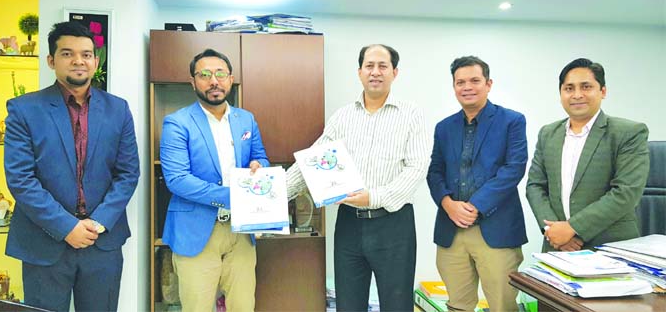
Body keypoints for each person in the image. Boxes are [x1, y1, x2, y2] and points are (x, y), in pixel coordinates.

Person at [3, 21, 140, 311]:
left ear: (95, 60)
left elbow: (128, 173)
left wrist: (98, 221)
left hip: (101, 242)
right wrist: (66, 226)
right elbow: (20, 179)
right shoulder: (23, 109)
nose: (78, 60)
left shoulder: (118, 109)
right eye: (67, 53)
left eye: (86, 54)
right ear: (51, 60)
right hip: (44, 242)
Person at [287, 44, 431, 311]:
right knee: (348, 304)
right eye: (369, 66)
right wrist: (272, 193)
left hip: (393, 225)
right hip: (349, 226)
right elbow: (312, 162)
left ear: (395, 72)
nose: (375, 72)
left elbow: (417, 168)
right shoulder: (342, 117)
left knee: (396, 304)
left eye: (382, 66)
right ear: (359, 72)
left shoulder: (411, 114)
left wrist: (373, 197)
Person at [160, 48, 269, 312]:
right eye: (205, 74)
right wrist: (234, 195)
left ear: (231, 79)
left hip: (241, 231)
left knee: (243, 306)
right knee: (197, 307)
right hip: (196, 230)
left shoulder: (246, 119)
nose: (214, 81)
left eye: (220, 74)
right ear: (193, 82)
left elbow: (261, 158)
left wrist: (258, 166)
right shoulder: (177, 122)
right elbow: (177, 179)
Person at [427, 56, 528, 312]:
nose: (467, 87)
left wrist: (475, 206)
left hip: (496, 229)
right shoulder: (444, 128)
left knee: (502, 305)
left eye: (474, 80)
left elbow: (513, 169)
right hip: (452, 230)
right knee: (458, 305)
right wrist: (448, 204)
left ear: (489, 83)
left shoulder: (512, 121)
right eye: (460, 82)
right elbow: (435, 171)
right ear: (454, 87)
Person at [526, 58, 649, 252]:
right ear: (560, 93)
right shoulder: (548, 133)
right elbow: (535, 186)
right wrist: (553, 231)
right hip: (557, 246)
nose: (577, 95)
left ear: (603, 91)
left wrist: (572, 228)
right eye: (569, 88)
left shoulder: (629, 132)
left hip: (610, 247)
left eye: (586, 87)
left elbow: (626, 192)